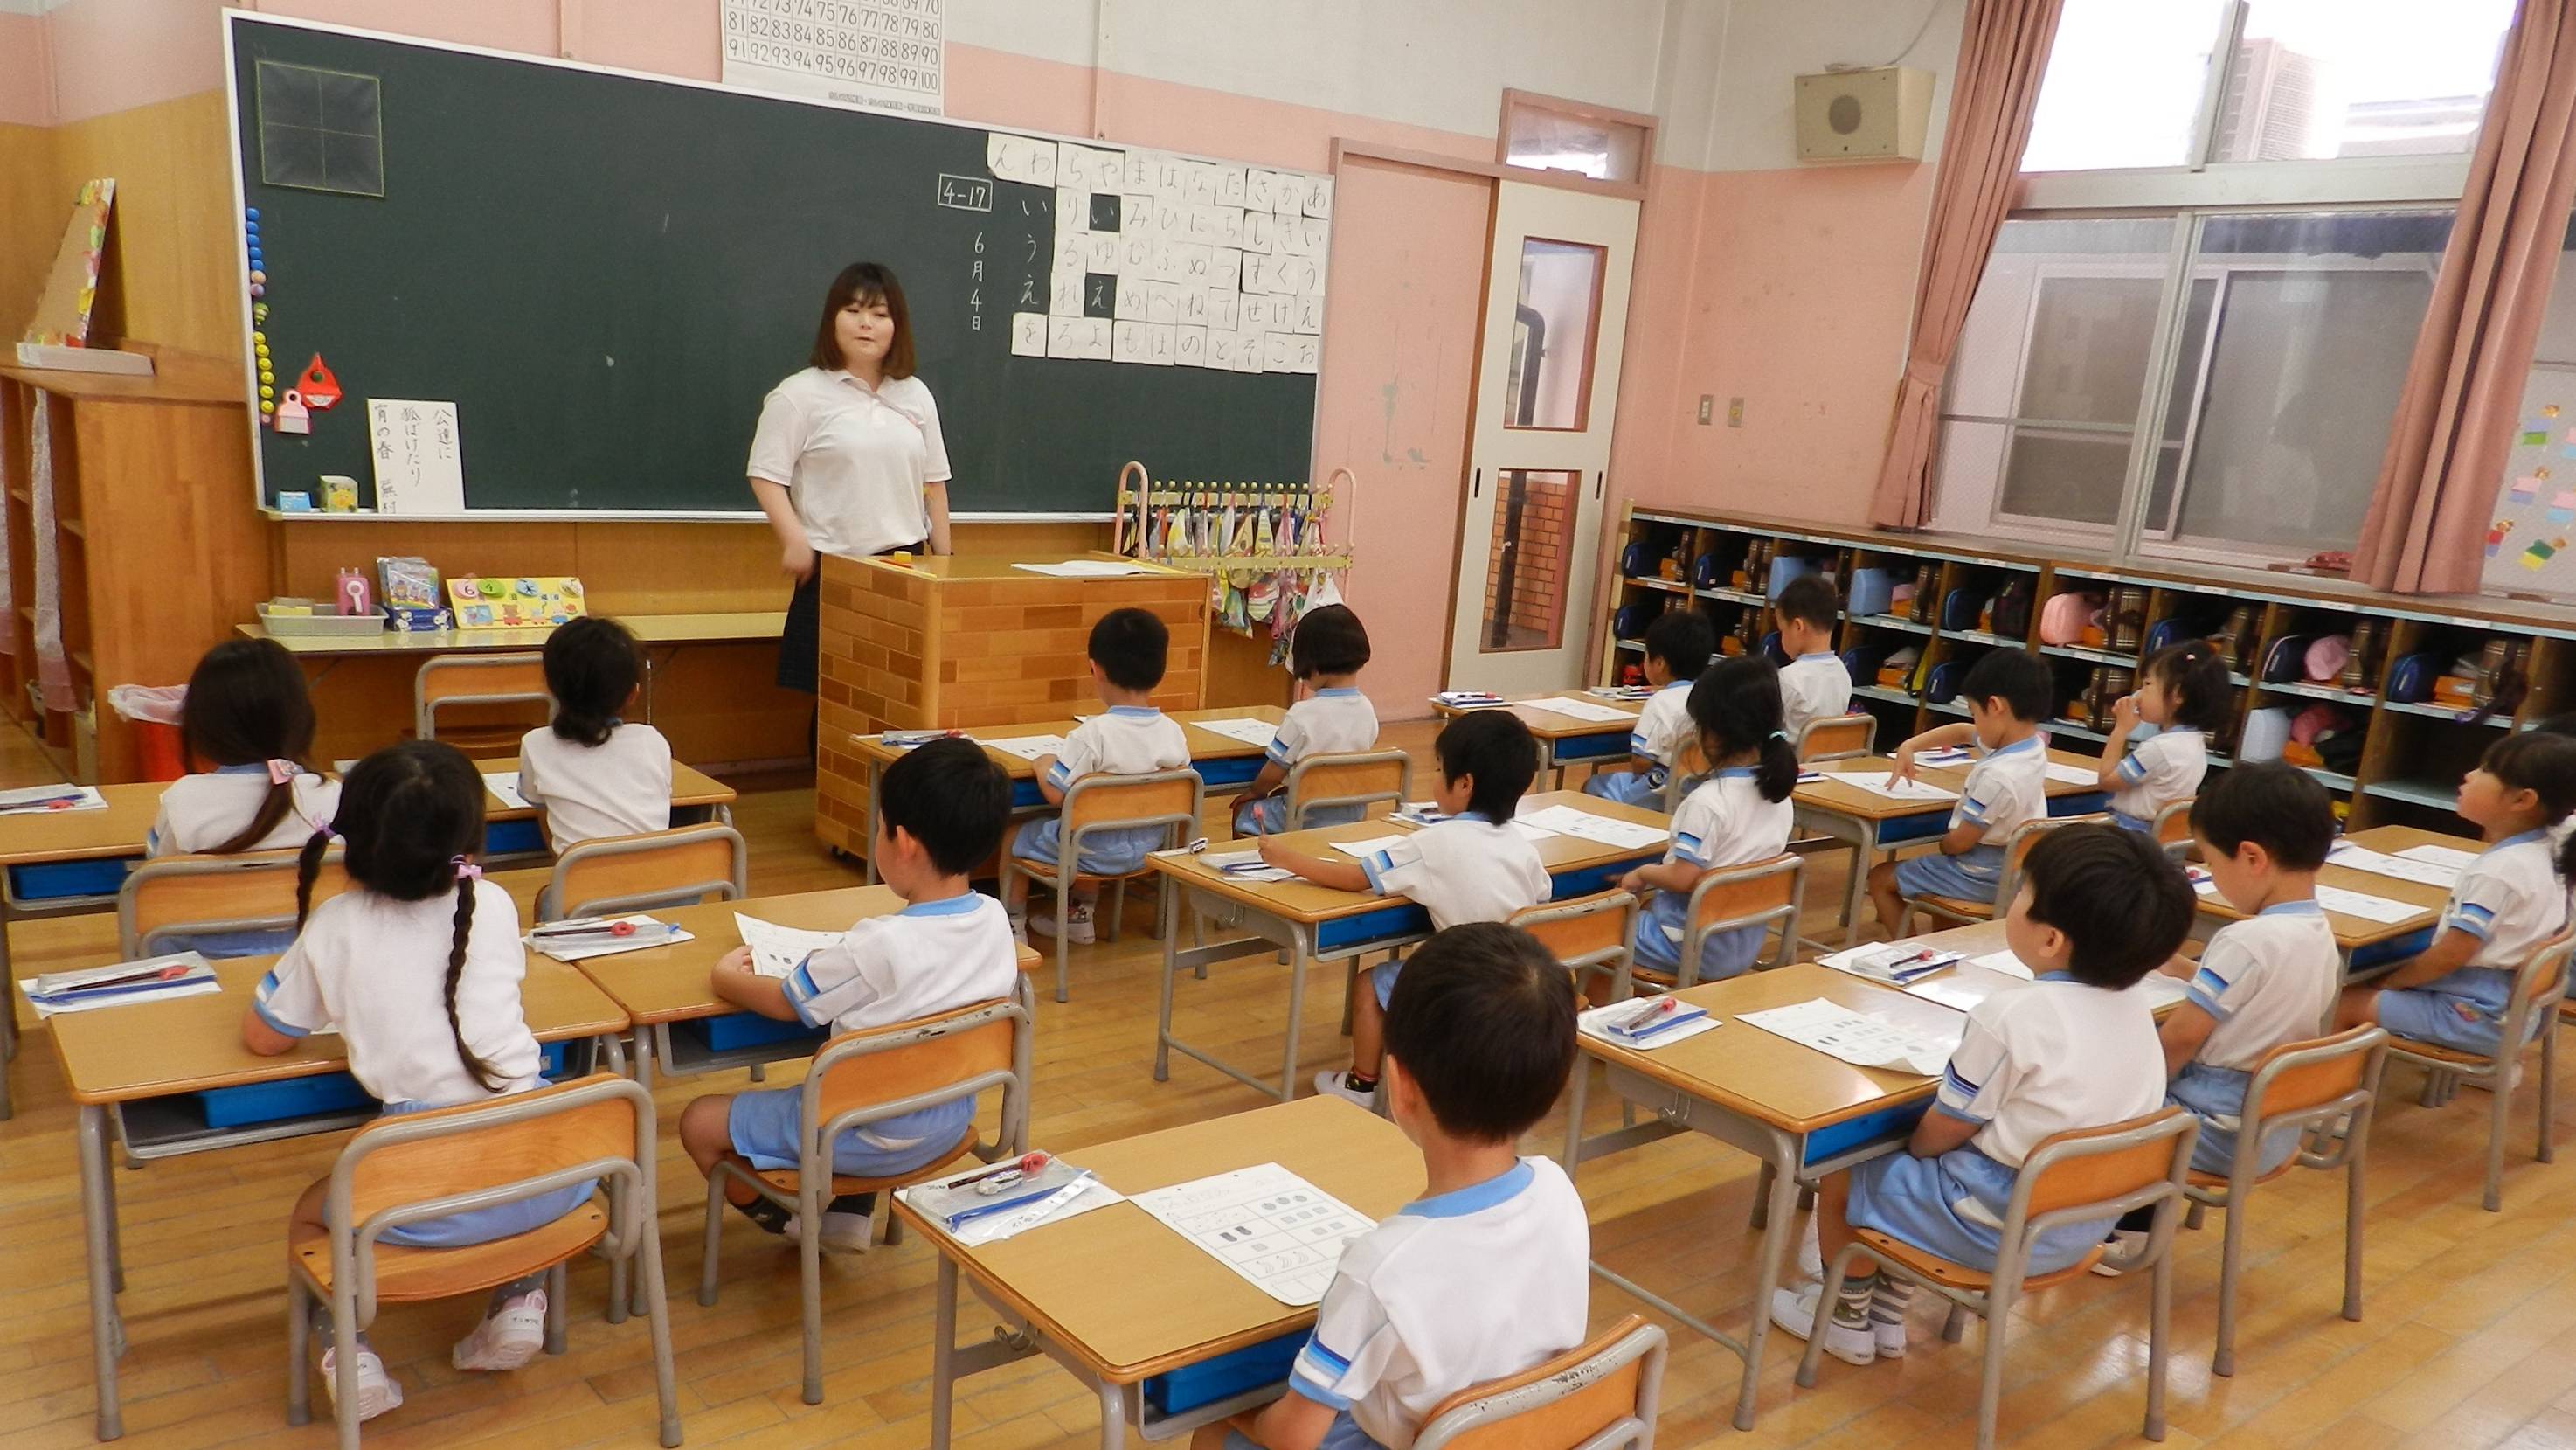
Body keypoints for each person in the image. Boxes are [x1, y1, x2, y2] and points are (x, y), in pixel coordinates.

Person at [241, 741, 583, 1422]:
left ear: (355, 838)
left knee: (310, 1213)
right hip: (554, 1177)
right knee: (515, 1126)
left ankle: (349, 1350)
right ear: (467, 837)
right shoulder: (491, 902)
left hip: (416, 1191)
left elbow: (263, 1035)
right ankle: (518, 1298)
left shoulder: (335, 924)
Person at [1773, 825, 2194, 1366]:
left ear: (2050, 940)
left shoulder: (2014, 1015)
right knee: (1927, 1164)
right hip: (2075, 1223)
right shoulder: (2138, 1007)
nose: (2013, 900)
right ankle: (1888, 1311)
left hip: (1995, 1225)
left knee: (1848, 1166)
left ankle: (1844, 1318)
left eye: (2022, 892)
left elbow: (1947, 1129)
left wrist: (1913, 1151)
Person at [1196, 924, 1589, 1450]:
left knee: (1217, 1424)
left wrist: (1242, 1418)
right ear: (1556, 1085)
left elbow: (1293, 1438)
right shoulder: (1560, 1191)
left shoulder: (1379, 1273)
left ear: (1399, 1088)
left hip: (1411, 1438)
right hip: (1520, 1434)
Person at [680, 738, 1015, 1252]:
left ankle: (787, 1223)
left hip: (862, 1136)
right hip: (946, 1122)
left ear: (902, 842)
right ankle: (848, 1218)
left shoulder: (878, 944)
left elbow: (785, 1002)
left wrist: (725, 977)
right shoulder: (995, 921)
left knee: (699, 1121)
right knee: (881, 1072)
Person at [2098, 762, 2338, 1265]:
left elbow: (2182, 1039)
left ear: (2251, 857)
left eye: (2210, 862)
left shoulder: (2245, 940)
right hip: (2268, 1122)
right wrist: (2185, 967)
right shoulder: (2318, 932)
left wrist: (2132, 1090)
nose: (2210, 877)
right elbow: (2256, 993)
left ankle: (2124, 1233)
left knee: (2101, 1098)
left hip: (2215, 1125)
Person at [1262, 711, 1549, 1107]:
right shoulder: (1523, 847)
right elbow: (1540, 903)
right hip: (1515, 988)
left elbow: (1357, 879)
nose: (1433, 777)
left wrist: (1286, 858)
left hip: (1465, 993)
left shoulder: (1435, 842)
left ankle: (1361, 1085)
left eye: (1439, 769)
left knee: (1369, 985)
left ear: (1464, 783)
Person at [746, 262, 955, 704]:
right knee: (836, 703)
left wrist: (945, 561)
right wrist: (794, 541)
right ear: (832, 320)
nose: (866, 324)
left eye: (880, 314)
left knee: (901, 698)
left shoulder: (915, 395)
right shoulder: (800, 394)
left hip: (907, 567)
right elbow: (765, 474)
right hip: (836, 568)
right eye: (854, 310)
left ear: (896, 326)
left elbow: (934, 484)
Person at [2335, 731, 2576, 1056]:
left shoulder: (2499, 871)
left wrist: (2392, 982)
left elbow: (2452, 953)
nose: (2469, 775)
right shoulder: (2550, 850)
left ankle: (2335, 1101)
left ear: (2523, 800)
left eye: (2485, 770)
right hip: (2513, 1012)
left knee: (2340, 1001)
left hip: (2477, 1016)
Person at [1002, 608, 1192, 945]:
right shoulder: (1173, 733)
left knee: (1015, 832)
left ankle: (1011, 928)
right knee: (1093, 821)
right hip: (1149, 848)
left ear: (1095, 669)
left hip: (1091, 853)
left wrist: (1042, 765)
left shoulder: (1093, 734)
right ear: (1160, 671)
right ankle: (1080, 915)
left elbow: (1057, 794)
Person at [149, 638, 343, 957]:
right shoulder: (331, 796)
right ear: (301, 718)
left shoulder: (181, 801)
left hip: (199, 962)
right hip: (304, 958)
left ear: (201, 726)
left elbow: (158, 889)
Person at [1618, 656, 1797, 984]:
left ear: (1712, 734)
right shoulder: (1779, 796)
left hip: (1691, 944)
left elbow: (1684, 877)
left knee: (1595, 933)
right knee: (1640, 911)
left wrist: (1642, 872)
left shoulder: (1709, 802)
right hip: (1741, 941)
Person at [1866, 649, 2053, 932]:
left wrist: (1943, 845)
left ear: (1995, 706)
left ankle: (1907, 950)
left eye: (1975, 713)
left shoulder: (1997, 776)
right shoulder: (2031, 747)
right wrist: (1910, 746)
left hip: (1980, 875)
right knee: (1939, 878)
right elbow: (1964, 732)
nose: (1975, 722)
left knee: (1880, 878)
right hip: (2016, 873)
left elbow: (1961, 842)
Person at [516, 616, 673, 856]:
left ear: (549, 686)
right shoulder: (652, 740)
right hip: (661, 885)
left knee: (548, 894)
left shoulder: (535, 744)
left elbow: (537, 803)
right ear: (633, 694)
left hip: (583, 887)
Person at [1233, 604, 1380, 835]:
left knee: (1247, 811)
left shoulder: (1302, 715)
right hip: (1351, 815)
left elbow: (1273, 773)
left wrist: (1255, 792)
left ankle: (1252, 867)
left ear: (1312, 663)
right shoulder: (1367, 709)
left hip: (1305, 816)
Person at [1584, 609, 1714, 807]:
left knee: (1593, 785)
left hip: (1661, 791)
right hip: (1700, 790)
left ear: (1660, 663)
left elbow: (1640, 762)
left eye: (1645, 657)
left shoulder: (1661, 701)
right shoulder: (1713, 696)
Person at [2096, 641, 2228, 832]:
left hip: (2130, 837)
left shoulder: (2159, 748)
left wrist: (2120, 729)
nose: (2139, 694)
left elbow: (2106, 781)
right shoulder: (2194, 742)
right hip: (2160, 839)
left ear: (2178, 694)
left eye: (2148, 684)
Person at [1773, 574, 1853, 743]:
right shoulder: (1842, 672)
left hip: (1790, 765)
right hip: (1825, 765)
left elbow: (1766, 730)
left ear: (1797, 627)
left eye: (1782, 630)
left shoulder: (1787, 678)